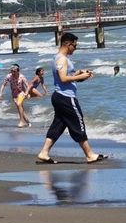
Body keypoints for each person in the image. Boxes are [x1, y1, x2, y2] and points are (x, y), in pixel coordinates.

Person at [36, 32, 105, 164]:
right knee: (78, 122)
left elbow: (66, 75)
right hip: (65, 97)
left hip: (59, 96)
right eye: (75, 45)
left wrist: (78, 73)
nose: (76, 48)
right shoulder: (62, 59)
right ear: (68, 44)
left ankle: (44, 152)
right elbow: (63, 78)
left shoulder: (57, 57)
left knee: (58, 125)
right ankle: (90, 154)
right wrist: (80, 77)